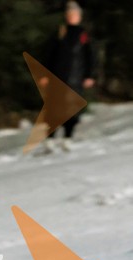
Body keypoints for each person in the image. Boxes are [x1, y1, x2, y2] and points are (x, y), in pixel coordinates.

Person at [40, 1, 95, 151]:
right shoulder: (60, 32)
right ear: (66, 16)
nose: (72, 17)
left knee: (72, 111)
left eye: (75, 14)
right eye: (70, 14)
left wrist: (89, 75)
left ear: (80, 16)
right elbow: (49, 54)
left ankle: (67, 138)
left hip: (76, 79)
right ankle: (49, 140)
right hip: (57, 77)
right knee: (54, 110)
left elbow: (89, 56)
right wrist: (45, 74)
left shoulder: (83, 34)